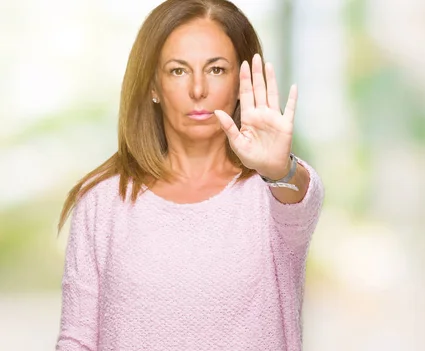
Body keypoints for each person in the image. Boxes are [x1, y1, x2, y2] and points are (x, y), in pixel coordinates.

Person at [54, 0, 324, 350]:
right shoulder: (102, 202)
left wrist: (279, 170)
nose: (198, 90)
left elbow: (301, 195)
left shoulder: (274, 191)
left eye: (216, 70)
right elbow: (77, 340)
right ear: (153, 86)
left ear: (240, 82)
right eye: (178, 71)